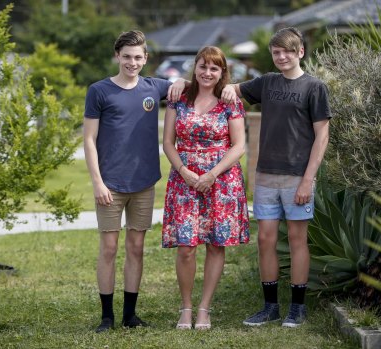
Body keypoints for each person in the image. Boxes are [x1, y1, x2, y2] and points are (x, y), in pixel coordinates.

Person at [220, 27, 331, 328]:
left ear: (300, 52)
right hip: (265, 176)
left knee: (297, 240)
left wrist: (309, 179)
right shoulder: (267, 83)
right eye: (276, 52)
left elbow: (322, 135)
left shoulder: (314, 87)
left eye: (287, 51)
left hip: (298, 177)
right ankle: (270, 308)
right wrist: (230, 88)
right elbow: (232, 89)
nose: (281, 57)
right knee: (266, 240)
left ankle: (297, 308)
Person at [83, 30, 174, 333]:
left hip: (144, 184)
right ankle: (107, 316)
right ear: (117, 57)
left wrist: (186, 82)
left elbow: (187, 86)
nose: (132, 62)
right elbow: (89, 140)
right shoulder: (99, 91)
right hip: (110, 185)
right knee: (109, 248)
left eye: (138, 57)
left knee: (136, 248)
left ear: (146, 58)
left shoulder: (154, 87)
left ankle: (129, 315)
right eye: (127, 57)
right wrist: (97, 182)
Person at [162, 46, 250, 330]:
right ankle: (185, 308)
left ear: (223, 72)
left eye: (214, 68)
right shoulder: (179, 98)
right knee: (186, 247)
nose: (207, 73)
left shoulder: (230, 102)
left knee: (215, 244)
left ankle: (204, 309)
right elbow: (167, 143)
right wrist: (184, 171)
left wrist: (212, 173)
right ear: (195, 68)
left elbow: (239, 146)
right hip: (184, 179)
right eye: (203, 66)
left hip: (221, 180)